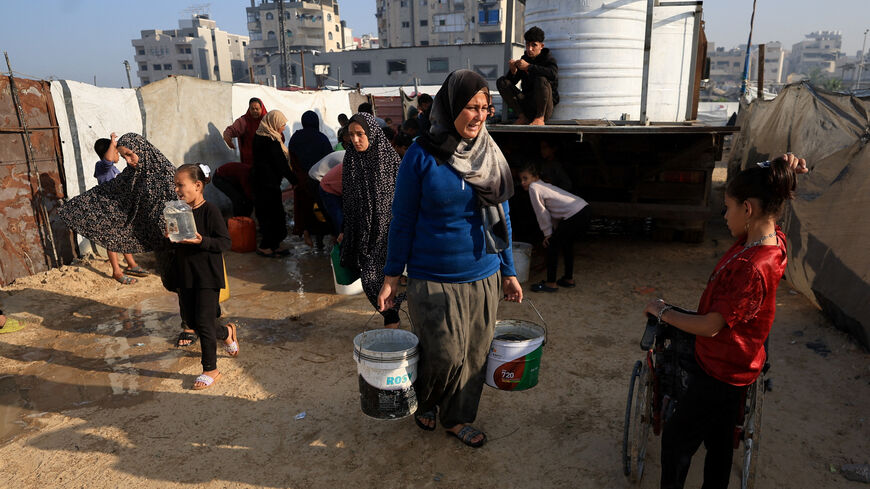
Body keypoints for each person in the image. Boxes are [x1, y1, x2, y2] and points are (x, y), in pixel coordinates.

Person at [377, 70, 523, 448]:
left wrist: (508, 270)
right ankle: (427, 399)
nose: (479, 116)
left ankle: (457, 418)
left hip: (482, 273)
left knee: (474, 356)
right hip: (433, 276)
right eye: (471, 107)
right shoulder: (420, 155)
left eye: (485, 108)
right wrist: (391, 276)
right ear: (451, 106)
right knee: (444, 354)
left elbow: (501, 218)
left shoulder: (489, 153)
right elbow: (402, 220)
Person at [642, 154, 807, 488]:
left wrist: (662, 311)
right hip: (740, 363)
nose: (724, 215)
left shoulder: (752, 266)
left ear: (748, 209)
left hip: (720, 368)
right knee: (719, 441)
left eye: (728, 207)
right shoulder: (771, 241)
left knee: (676, 441)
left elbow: (712, 326)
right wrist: (778, 167)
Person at [169, 164, 237, 390]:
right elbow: (178, 242)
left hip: (207, 276)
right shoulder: (178, 212)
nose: (177, 190)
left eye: (181, 185)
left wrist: (202, 241)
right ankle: (227, 332)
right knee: (194, 322)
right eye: (175, 185)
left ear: (197, 186)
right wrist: (169, 237)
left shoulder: (211, 211)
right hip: (186, 275)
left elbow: (224, 242)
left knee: (205, 323)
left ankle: (210, 369)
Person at [60, 133, 177, 255]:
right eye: (123, 157)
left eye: (129, 154)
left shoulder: (166, 173)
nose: (128, 161)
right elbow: (107, 190)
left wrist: (173, 231)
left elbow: (177, 206)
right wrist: (75, 206)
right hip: (158, 241)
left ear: (141, 149)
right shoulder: (131, 174)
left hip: (175, 237)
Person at [340, 112, 403, 327]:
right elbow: (348, 199)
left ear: (372, 133)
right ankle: (393, 317)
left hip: (389, 229)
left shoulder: (389, 159)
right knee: (371, 278)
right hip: (363, 230)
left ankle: (392, 319)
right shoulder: (350, 158)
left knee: (373, 278)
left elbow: (404, 198)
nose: (355, 140)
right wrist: (345, 229)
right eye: (351, 135)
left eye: (360, 134)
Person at [518, 163, 589, 292]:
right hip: (583, 209)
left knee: (552, 245)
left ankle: (551, 283)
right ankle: (568, 279)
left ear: (535, 177)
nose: (522, 182)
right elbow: (555, 213)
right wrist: (552, 232)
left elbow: (541, 212)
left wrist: (548, 234)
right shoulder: (543, 185)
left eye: (525, 178)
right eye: (521, 179)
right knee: (567, 244)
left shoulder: (534, 187)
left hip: (574, 214)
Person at [92, 133, 149, 284]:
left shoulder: (114, 169)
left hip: (119, 208)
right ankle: (116, 272)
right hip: (109, 209)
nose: (119, 156)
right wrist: (112, 143)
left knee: (123, 235)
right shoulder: (102, 167)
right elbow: (108, 161)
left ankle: (131, 264)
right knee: (112, 240)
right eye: (117, 153)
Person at [251, 110, 298, 257]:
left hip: (264, 183)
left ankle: (274, 245)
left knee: (272, 215)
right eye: (281, 125)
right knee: (271, 216)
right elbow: (281, 164)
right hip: (267, 185)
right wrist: (294, 180)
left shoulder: (261, 136)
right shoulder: (270, 141)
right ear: (274, 123)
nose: (283, 128)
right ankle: (265, 247)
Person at [288, 111, 334, 248]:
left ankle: (308, 234)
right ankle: (323, 237)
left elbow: (292, 159)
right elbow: (329, 159)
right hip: (319, 180)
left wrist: (297, 177)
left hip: (302, 180)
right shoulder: (321, 138)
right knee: (322, 208)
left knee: (306, 209)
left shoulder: (295, 138)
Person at [497, 26, 559, 126]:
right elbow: (511, 84)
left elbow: (553, 74)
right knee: (502, 82)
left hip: (544, 107)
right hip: (527, 105)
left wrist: (529, 67)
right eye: (527, 45)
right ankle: (522, 117)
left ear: (541, 46)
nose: (530, 49)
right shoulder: (525, 58)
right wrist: (513, 72)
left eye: (534, 45)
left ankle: (539, 118)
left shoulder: (547, 58)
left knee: (541, 79)